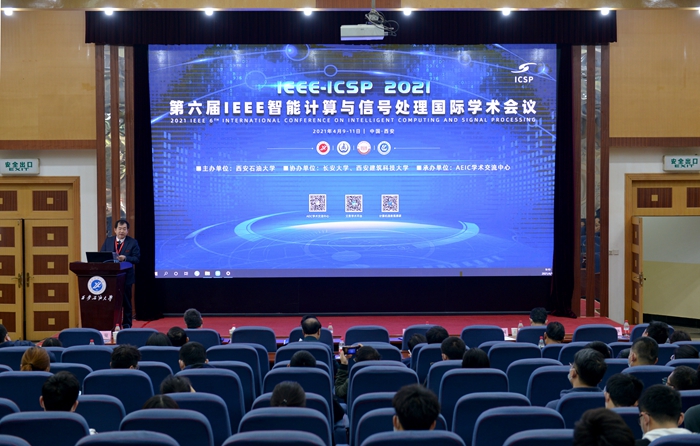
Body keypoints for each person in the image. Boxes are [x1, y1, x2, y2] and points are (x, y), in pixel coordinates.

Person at [100, 219, 140, 329]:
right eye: (119, 229)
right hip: (110, 278)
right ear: (115, 230)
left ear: (127, 231)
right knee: (110, 301)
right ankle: (111, 324)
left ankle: (127, 325)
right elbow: (101, 256)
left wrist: (125, 258)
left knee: (126, 302)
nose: (121, 231)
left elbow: (137, 259)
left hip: (126, 277)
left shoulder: (132, 242)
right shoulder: (108, 241)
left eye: (124, 229)